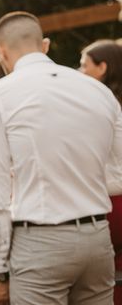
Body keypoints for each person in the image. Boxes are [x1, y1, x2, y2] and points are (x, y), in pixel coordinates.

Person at [0, 11, 122, 305]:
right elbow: (118, 174)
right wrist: (75, 181)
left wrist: (1, 271)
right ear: (45, 45)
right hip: (97, 240)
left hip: (40, 243)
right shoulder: (100, 92)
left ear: (0, 51)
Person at [80, 39, 122, 305]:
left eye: (84, 65)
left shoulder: (96, 107)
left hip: (109, 204)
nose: (79, 71)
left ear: (102, 68)